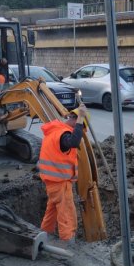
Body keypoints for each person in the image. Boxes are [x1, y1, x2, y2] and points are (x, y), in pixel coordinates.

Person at [38, 104, 89, 245]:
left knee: (52, 210)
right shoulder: (64, 134)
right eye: (81, 128)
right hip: (60, 182)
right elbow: (74, 141)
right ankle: (68, 245)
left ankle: (44, 235)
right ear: (76, 120)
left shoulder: (55, 131)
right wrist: (81, 118)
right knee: (67, 215)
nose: (80, 131)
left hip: (52, 181)